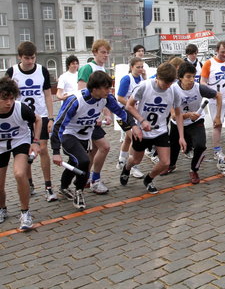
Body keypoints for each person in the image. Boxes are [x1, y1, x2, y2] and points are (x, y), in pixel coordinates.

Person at [51, 71, 140, 209]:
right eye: (106, 88)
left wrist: (134, 125)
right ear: (95, 88)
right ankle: (79, 191)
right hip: (69, 134)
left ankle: (63, 187)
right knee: (84, 161)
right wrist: (55, 151)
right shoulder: (75, 100)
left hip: (85, 135)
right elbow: (58, 125)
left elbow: (122, 112)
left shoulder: (107, 98)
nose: (109, 91)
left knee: (74, 162)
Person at [120, 63, 186, 193]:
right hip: (142, 131)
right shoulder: (144, 86)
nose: (167, 86)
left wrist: (181, 137)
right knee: (136, 159)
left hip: (160, 130)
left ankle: (149, 179)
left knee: (166, 162)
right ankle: (127, 168)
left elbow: (178, 114)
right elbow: (129, 106)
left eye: (170, 83)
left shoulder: (173, 90)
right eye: (164, 83)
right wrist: (141, 121)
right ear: (158, 77)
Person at [5, 41, 57, 202]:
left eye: (33, 57)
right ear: (20, 57)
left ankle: (48, 187)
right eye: (27, 58)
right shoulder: (12, 72)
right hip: (20, 119)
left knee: (43, 150)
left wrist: (50, 117)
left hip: (39, 117)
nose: (30, 61)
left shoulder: (42, 70)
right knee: (25, 153)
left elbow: (48, 95)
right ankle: (29, 184)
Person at [168, 62, 222, 182]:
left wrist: (217, 116)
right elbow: (172, 116)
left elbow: (218, 96)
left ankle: (194, 170)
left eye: (193, 76)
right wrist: (187, 115)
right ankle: (171, 165)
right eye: (188, 77)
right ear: (180, 77)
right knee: (174, 147)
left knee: (201, 146)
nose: (192, 80)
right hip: (178, 123)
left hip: (196, 122)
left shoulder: (199, 87)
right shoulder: (172, 90)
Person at [0, 77, 41, 230]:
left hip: (19, 141)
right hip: (1, 145)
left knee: (19, 173)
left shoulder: (20, 108)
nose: (9, 102)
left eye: (11, 98)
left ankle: (25, 212)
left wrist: (35, 142)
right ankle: (2, 209)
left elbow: (38, 120)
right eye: (4, 99)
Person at [77, 39, 112, 194]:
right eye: (103, 52)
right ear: (94, 52)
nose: (106, 55)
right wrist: (94, 115)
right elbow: (82, 93)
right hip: (85, 118)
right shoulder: (87, 68)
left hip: (95, 117)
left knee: (94, 150)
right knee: (104, 147)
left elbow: (105, 97)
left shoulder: (104, 69)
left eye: (107, 52)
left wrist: (107, 113)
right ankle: (94, 180)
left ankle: (84, 178)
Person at [200, 41, 225, 159]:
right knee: (218, 125)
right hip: (216, 100)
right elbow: (202, 82)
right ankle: (217, 150)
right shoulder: (208, 63)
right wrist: (211, 93)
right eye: (222, 52)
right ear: (217, 51)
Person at [116, 57, 145, 178]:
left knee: (128, 138)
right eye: (138, 67)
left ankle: (121, 160)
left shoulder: (142, 78)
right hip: (123, 112)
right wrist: (131, 105)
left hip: (134, 112)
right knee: (134, 138)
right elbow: (119, 97)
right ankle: (133, 167)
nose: (140, 69)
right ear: (131, 67)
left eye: (141, 67)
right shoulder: (126, 79)